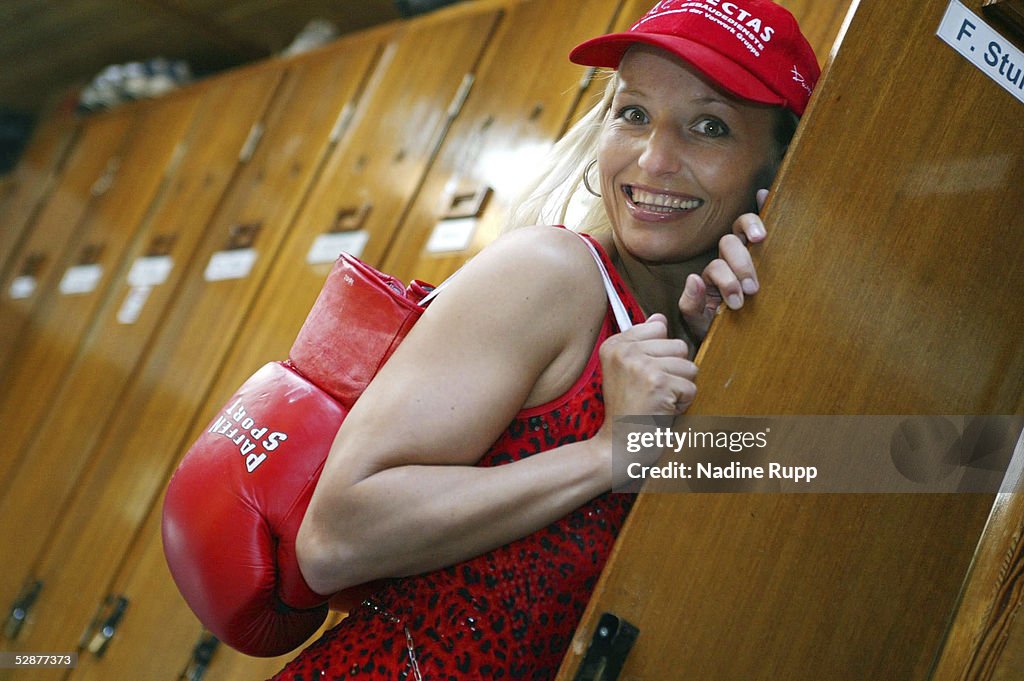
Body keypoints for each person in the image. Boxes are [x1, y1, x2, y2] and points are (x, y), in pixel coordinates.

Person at [276, 1, 820, 678]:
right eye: (633, 112)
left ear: (778, 171)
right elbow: (333, 538)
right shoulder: (552, 273)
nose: (654, 158)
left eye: (708, 127)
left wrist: (734, 356)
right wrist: (603, 456)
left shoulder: (695, 336)